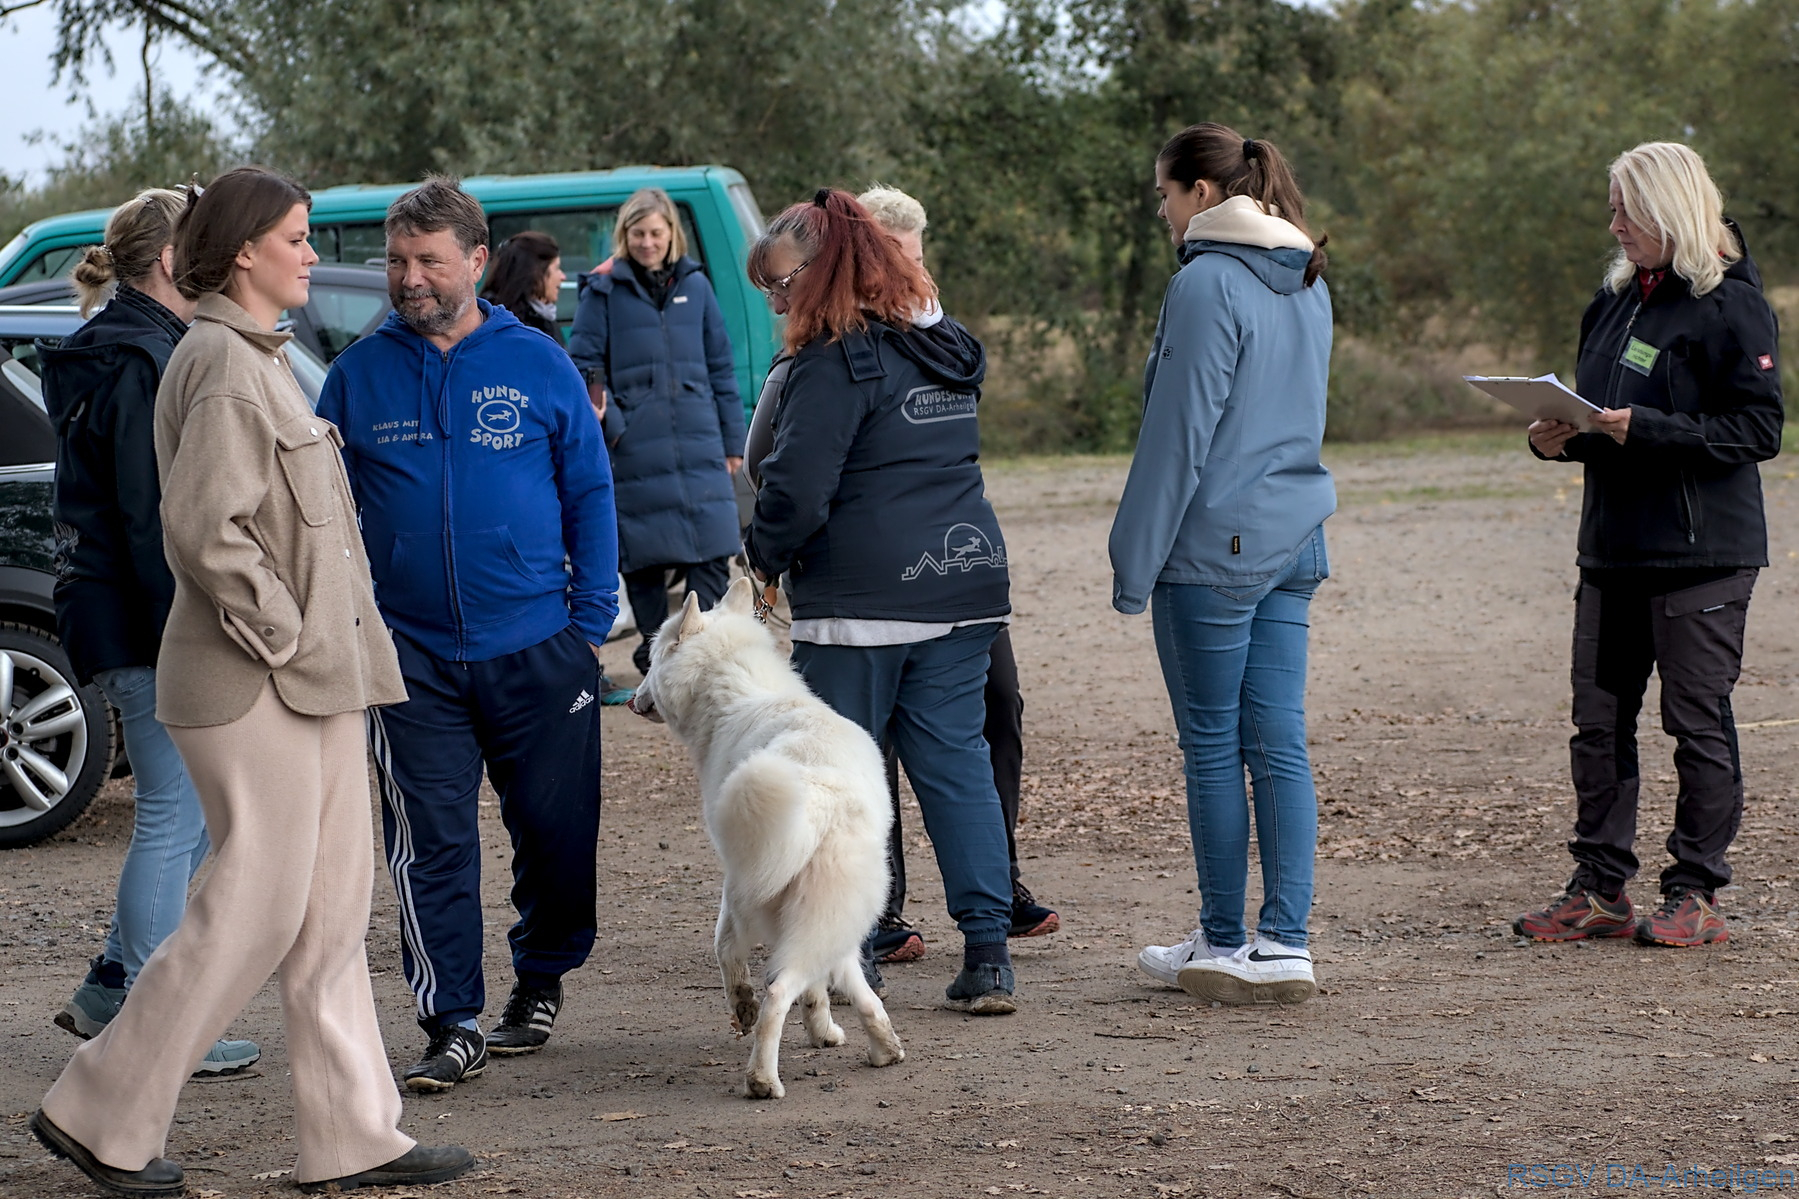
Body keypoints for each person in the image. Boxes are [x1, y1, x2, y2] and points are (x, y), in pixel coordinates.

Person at [31, 166, 472, 1197]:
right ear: (243, 252)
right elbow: (203, 529)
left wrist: (317, 647)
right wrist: (287, 635)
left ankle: (353, 1135)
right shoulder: (223, 361)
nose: (314, 253)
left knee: (325, 914)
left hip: (317, 679)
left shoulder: (256, 357)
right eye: (297, 236)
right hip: (255, 681)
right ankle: (100, 1111)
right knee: (255, 906)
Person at [317, 177, 617, 1091]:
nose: (408, 277)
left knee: (555, 833)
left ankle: (541, 976)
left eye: (428, 260)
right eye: (396, 260)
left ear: (477, 262)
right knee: (431, 842)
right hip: (410, 657)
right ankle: (451, 1018)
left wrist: (588, 623)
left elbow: (590, 491)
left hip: (538, 645)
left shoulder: (539, 363)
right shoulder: (356, 375)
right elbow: (324, 514)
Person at [744, 187, 1019, 1014]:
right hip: (963, 588)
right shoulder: (945, 346)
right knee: (957, 766)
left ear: (825, 266)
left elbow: (796, 487)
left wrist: (761, 558)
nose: (777, 301)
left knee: (842, 784)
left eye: (783, 282)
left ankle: (851, 948)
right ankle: (987, 953)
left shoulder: (832, 361)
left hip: (859, 602)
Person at [1515, 142, 1783, 948]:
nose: (1614, 226)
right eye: (1611, 210)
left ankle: (1695, 891)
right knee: (1596, 724)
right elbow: (1602, 420)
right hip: (1611, 551)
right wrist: (1558, 438)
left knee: (1694, 722)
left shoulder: (1731, 305)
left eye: (1626, 211)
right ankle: (1599, 888)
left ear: (1669, 209)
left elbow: (1758, 428)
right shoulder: (1611, 303)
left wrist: (1653, 429)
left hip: (1701, 557)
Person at [38, 187, 259, 1077]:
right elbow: (151, 513)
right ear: (171, 259)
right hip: (146, 617)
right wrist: (199, 628)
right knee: (177, 812)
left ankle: (113, 983)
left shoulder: (123, 345)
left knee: (194, 810)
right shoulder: (141, 357)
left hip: (112, 608)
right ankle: (150, 1018)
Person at [1114, 125, 1335, 1005]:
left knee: (1211, 746)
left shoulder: (1204, 281)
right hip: (1293, 537)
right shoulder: (1307, 275)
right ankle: (1283, 943)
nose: (1160, 211)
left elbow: (1177, 436)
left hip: (1214, 550)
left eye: (1163, 194)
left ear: (1201, 193)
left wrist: (1132, 559)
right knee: (1277, 741)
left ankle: (1218, 938)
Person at [568, 187, 745, 678]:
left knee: (713, 553)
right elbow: (584, 365)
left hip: (700, 443)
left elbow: (721, 368)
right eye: (638, 233)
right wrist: (615, 428)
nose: (647, 242)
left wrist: (733, 441)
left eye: (655, 233)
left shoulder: (697, 286)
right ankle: (657, 661)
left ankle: (706, 658)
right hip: (635, 451)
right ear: (624, 236)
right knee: (643, 561)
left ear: (672, 235)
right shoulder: (602, 291)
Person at [479, 230, 564, 338]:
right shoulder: (499, 324)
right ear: (536, 272)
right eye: (556, 268)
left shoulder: (545, 319)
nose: (563, 277)